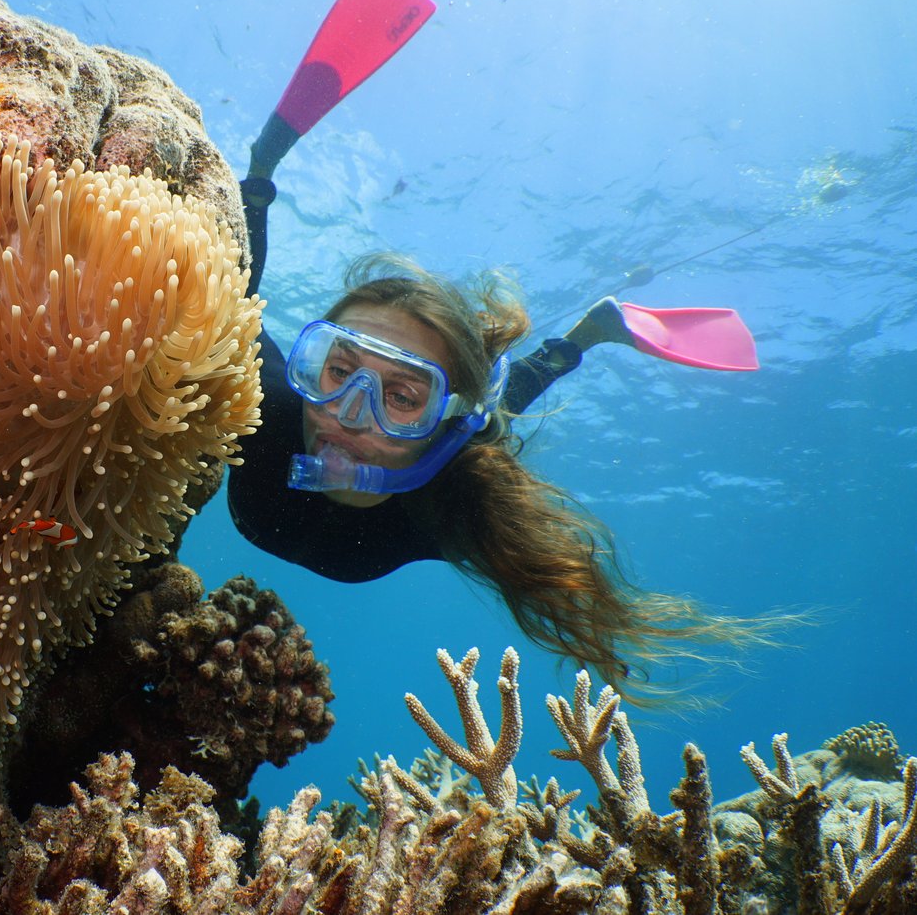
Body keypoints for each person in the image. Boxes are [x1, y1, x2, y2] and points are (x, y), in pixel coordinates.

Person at [228, 176, 775, 699]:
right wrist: (248, 194)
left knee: (492, 424)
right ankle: (260, 177)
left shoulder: (451, 502)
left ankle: (583, 338)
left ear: (439, 422)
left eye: (401, 398)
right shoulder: (264, 402)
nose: (347, 415)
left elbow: (563, 587)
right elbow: (231, 298)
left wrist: (600, 644)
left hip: (463, 438)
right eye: (340, 371)